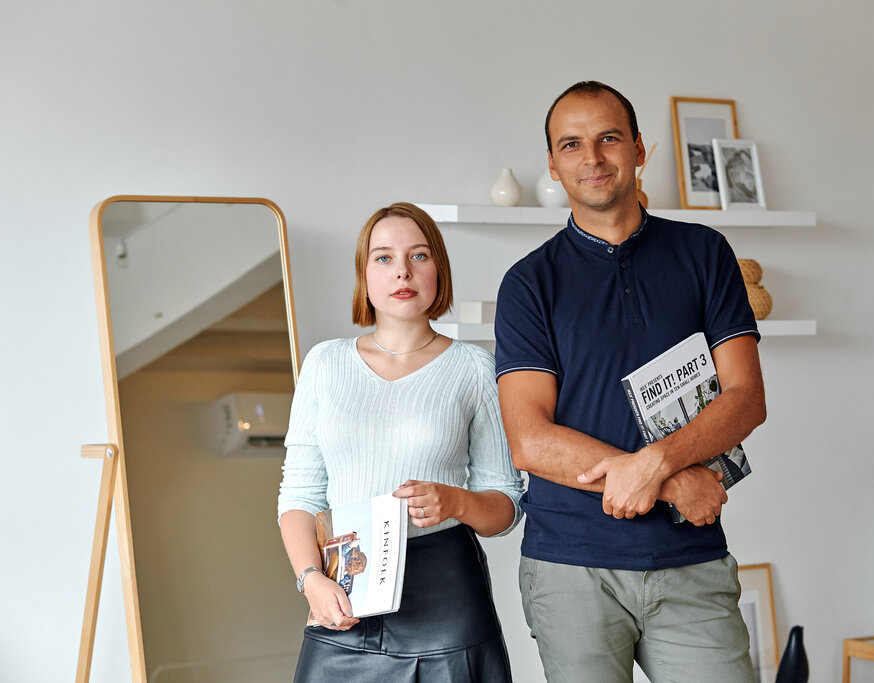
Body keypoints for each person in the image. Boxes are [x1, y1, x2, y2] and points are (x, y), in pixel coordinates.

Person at [495, 81, 767, 682]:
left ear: (639, 149)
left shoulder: (705, 253)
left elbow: (747, 398)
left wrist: (655, 463)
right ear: (553, 164)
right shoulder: (528, 284)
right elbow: (530, 441)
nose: (592, 157)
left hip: (690, 558)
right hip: (571, 568)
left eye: (609, 138)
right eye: (571, 144)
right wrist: (669, 483)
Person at [278, 202, 523, 682]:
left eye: (419, 255)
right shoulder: (324, 364)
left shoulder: (475, 369)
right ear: (364, 275)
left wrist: (456, 501)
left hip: (446, 599)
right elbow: (299, 496)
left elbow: (507, 505)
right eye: (384, 257)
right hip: (343, 589)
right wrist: (310, 581)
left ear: (439, 270)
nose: (402, 271)